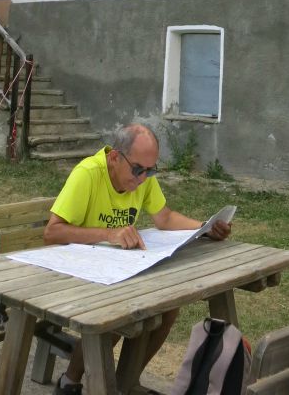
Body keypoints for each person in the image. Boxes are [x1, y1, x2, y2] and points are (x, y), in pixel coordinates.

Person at [43, 123, 231, 394]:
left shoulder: (140, 176)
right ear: (115, 157)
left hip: (113, 270)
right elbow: (52, 232)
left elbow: (164, 217)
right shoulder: (88, 174)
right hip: (71, 271)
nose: (143, 178)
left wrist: (204, 228)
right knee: (119, 310)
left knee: (168, 308)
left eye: (151, 170)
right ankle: (70, 382)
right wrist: (108, 234)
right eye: (138, 170)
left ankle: (125, 382)